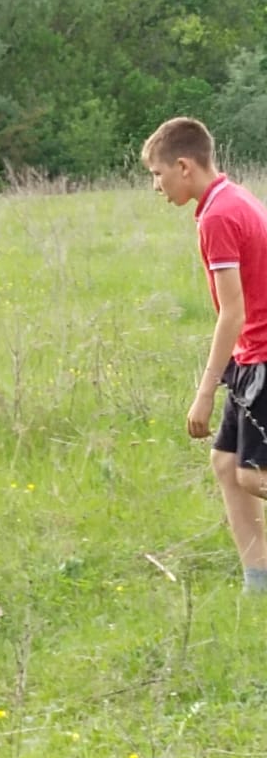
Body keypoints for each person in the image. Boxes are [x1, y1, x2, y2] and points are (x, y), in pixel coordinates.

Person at [142, 116, 267, 592]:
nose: (157, 186)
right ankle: (259, 582)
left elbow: (232, 311)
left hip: (259, 354)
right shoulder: (232, 196)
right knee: (226, 464)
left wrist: (204, 392)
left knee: (255, 476)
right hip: (249, 352)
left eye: (158, 174)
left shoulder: (218, 216)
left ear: (184, 166)